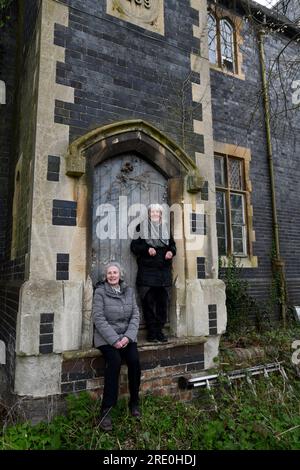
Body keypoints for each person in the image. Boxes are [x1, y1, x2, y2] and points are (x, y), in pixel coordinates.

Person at [92, 262, 141, 432]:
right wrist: (115, 340)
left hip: (126, 337)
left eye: (115, 272)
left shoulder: (129, 291)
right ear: (105, 276)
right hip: (106, 338)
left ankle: (134, 402)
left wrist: (127, 337)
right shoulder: (100, 292)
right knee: (114, 361)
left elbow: (135, 315)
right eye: (109, 273)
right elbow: (98, 319)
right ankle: (106, 410)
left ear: (120, 274)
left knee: (134, 360)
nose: (112, 275)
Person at [130, 204, 176, 343]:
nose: (155, 214)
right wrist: (147, 249)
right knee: (148, 302)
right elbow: (134, 246)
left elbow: (173, 245)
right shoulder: (142, 227)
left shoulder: (166, 228)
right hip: (148, 271)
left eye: (158, 212)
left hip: (163, 272)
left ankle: (159, 331)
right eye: (153, 211)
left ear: (161, 214)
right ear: (149, 213)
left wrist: (171, 251)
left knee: (162, 303)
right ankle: (151, 332)